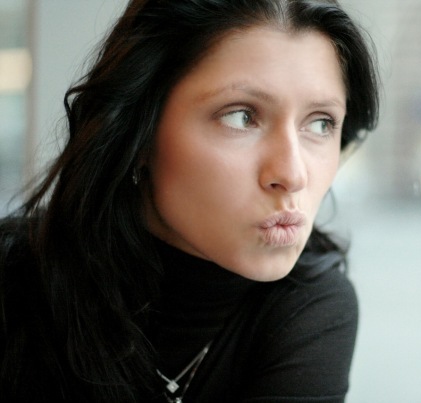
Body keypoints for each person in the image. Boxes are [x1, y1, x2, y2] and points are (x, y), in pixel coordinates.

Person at [0, 0, 379, 401]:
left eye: (320, 123)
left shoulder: (310, 309)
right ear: (140, 132)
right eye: (241, 117)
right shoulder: (15, 288)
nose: (293, 174)